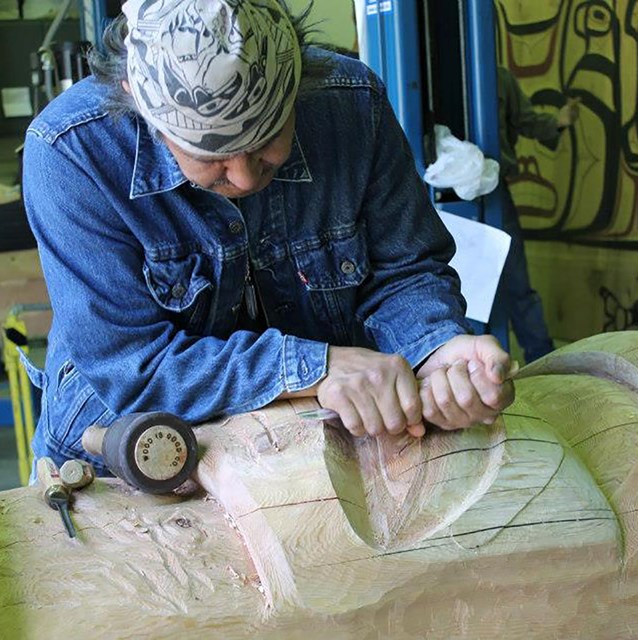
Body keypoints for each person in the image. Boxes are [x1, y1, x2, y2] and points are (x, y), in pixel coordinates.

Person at [22, 0, 514, 476]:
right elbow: (132, 365)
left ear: (298, 86)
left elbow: (403, 272)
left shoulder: (350, 104)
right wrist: (315, 368)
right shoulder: (71, 152)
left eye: (264, 142)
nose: (242, 178)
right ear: (139, 104)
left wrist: (437, 348)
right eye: (211, 156)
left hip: (312, 448)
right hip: (132, 454)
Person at [497, 66, 579, 363]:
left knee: (517, 281)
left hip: (493, 189)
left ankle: (543, 361)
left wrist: (558, 122)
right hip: (430, 191)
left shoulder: (497, 77)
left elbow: (525, 120)